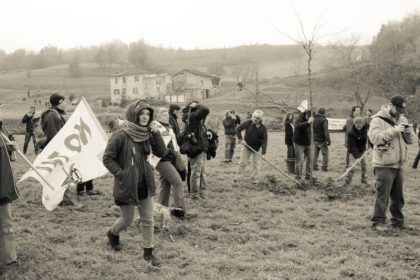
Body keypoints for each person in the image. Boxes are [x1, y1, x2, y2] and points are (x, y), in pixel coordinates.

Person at [102, 100, 167, 266]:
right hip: (127, 185)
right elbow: (107, 158)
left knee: (148, 219)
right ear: (134, 115)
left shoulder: (148, 133)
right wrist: (121, 174)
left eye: (147, 114)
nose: (145, 117)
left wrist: (156, 134)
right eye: (141, 114)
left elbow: (161, 152)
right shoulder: (120, 134)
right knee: (127, 220)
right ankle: (113, 233)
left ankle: (148, 252)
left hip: (145, 181)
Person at [368, 96, 415, 231]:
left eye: (402, 110)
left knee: (398, 197)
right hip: (384, 164)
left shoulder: (402, 119)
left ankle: (398, 222)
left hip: (399, 164)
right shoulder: (377, 120)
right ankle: (378, 222)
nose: (400, 113)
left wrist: (408, 132)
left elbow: (410, 141)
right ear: (390, 105)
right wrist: (394, 130)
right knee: (383, 195)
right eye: (398, 109)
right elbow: (374, 138)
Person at [152, 107, 188, 217]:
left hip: (169, 158)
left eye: (167, 115)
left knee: (165, 184)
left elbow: (173, 142)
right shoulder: (155, 127)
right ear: (158, 117)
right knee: (177, 183)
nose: (167, 117)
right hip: (161, 160)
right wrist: (172, 153)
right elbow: (159, 147)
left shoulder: (168, 127)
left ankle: (160, 211)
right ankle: (180, 213)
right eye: (164, 115)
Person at [180, 101, 210, 200]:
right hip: (196, 148)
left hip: (198, 148)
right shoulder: (193, 117)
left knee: (201, 172)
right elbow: (205, 109)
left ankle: (202, 193)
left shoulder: (193, 118)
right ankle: (194, 195)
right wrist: (196, 105)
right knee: (196, 172)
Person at [0, 112, 18, 267]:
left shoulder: (1, 129)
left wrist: (10, 146)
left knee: (6, 223)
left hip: (3, 185)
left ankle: (8, 258)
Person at [234, 110, 267, 184]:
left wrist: (264, 153)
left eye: (258, 118)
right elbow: (237, 129)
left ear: (261, 119)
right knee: (242, 162)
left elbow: (264, 141)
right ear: (252, 116)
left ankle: (254, 178)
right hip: (246, 146)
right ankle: (238, 177)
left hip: (257, 148)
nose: (255, 119)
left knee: (256, 164)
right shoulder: (248, 122)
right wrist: (241, 139)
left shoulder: (263, 128)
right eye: (254, 117)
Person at [343, 117, 368, 186]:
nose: (359, 127)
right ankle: (347, 182)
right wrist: (357, 157)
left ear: (363, 124)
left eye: (361, 126)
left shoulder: (365, 127)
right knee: (352, 167)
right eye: (357, 126)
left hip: (362, 149)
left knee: (365, 165)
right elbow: (352, 147)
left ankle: (364, 180)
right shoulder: (351, 133)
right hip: (353, 150)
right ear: (354, 124)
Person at [293, 110, 314, 180]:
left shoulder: (312, 121)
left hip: (308, 143)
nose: (309, 118)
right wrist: (308, 122)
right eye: (308, 117)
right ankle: (298, 176)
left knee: (310, 159)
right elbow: (299, 126)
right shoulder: (299, 120)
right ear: (306, 115)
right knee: (300, 160)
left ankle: (308, 175)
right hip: (299, 143)